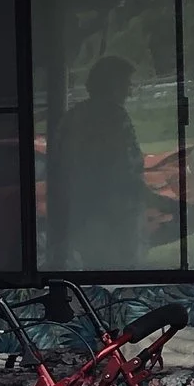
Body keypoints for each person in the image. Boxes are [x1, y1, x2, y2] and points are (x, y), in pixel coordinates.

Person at [44, 53, 153, 269]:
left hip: (83, 217)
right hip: (115, 217)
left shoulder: (72, 117)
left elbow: (57, 166)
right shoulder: (115, 118)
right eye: (125, 84)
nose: (129, 92)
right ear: (112, 84)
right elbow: (126, 168)